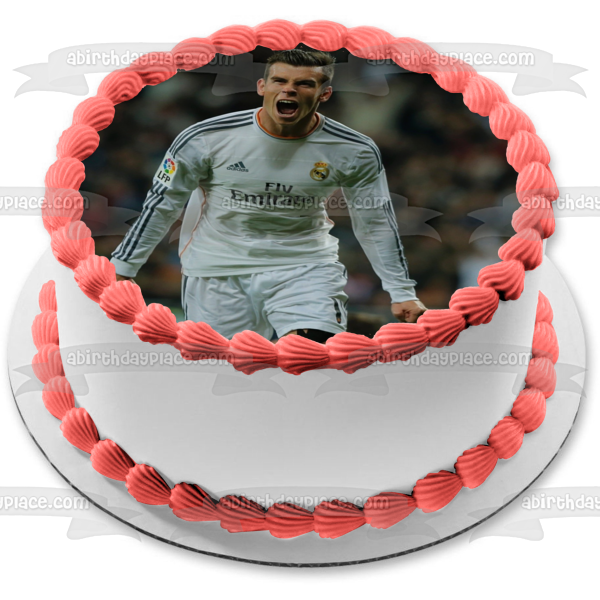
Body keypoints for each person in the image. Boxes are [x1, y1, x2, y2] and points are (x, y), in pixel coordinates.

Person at [111, 49, 427, 343]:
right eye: (280, 80)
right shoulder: (205, 137)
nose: (289, 90)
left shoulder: (354, 149)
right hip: (217, 269)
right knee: (228, 371)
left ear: (324, 94)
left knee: (309, 353)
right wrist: (123, 267)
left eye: (304, 84)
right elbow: (162, 203)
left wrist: (401, 290)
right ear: (262, 86)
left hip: (305, 266)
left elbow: (375, 221)